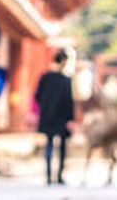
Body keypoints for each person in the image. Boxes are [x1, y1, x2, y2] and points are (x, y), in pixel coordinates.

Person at [35, 50, 75, 185]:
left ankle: (48, 175)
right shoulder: (65, 80)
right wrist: (70, 119)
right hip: (62, 117)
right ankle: (59, 175)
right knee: (62, 146)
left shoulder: (44, 77)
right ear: (63, 61)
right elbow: (68, 101)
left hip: (47, 115)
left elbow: (37, 96)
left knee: (49, 144)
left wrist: (45, 108)